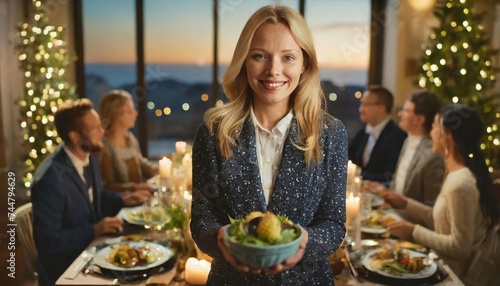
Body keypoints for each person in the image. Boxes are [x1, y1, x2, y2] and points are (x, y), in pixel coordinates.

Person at [190, 5, 347, 285]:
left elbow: (334, 225)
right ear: (244, 62)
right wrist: (220, 239)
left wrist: (303, 244)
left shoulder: (331, 134)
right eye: (259, 56)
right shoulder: (214, 131)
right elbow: (202, 221)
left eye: (288, 57)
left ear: (304, 64)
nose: (273, 70)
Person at [31, 99, 152, 286]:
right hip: (68, 268)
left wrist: (123, 198)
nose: (102, 133)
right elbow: (48, 243)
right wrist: (94, 229)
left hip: (93, 250)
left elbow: (95, 197)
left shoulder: (90, 155)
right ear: (74, 136)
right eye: (95, 129)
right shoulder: (51, 180)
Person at [381, 104, 500, 285]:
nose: (431, 132)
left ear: (448, 135)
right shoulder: (454, 172)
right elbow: (443, 220)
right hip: (439, 264)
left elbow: (460, 247)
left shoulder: (460, 183)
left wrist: (414, 231)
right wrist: (405, 203)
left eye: (435, 126)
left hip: (450, 274)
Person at [365, 90, 444, 225]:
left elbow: (432, 212)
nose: (400, 114)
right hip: (393, 216)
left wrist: (398, 208)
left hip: (411, 227)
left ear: (419, 119)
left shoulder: (432, 155)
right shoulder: (408, 140)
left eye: (406, 110)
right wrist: (381, 189)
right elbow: (400, 188)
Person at [98, 89, 158, 192]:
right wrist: (135, 187)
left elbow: (140, 162)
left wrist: (158, 169)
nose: (135, 114)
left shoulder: (129, 138)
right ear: (116, 115)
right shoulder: (104, 146)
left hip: (140, 199)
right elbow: (108, 186)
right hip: (122, 205)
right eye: (130, 111)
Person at [348, 85, 407, 183]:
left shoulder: (398, 136)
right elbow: (348, 159)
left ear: (381, 108)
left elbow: (389, 176)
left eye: (365, 104)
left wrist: (358, 176)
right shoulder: (361, 134)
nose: (360, 109)